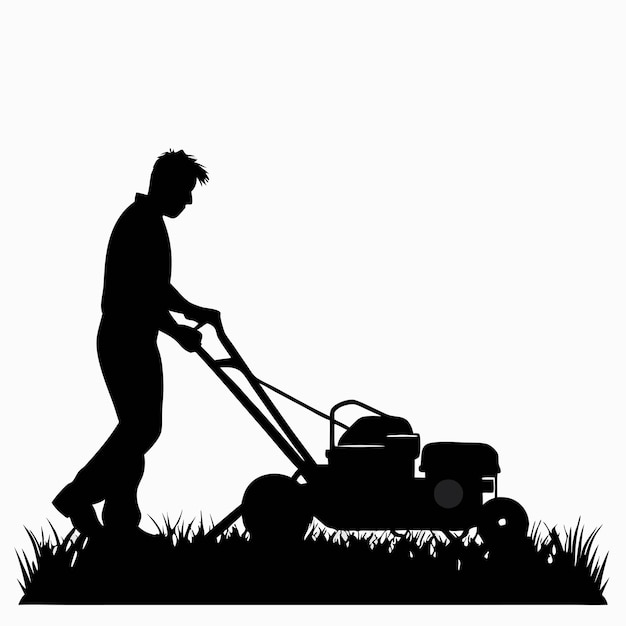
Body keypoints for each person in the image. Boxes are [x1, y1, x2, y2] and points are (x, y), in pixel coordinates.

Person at [53, 150, 219, 537]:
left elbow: (157, 288)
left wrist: (193, 311)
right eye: (185, 190)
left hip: (133, 337)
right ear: (164, 184)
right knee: (142, 428)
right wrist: (179, 332)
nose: (189, 201)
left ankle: (121, 521)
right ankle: (79, 495)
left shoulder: (146, 221)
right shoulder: (141, 224)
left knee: (137, 429)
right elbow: (140, 295)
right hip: (125, 338)